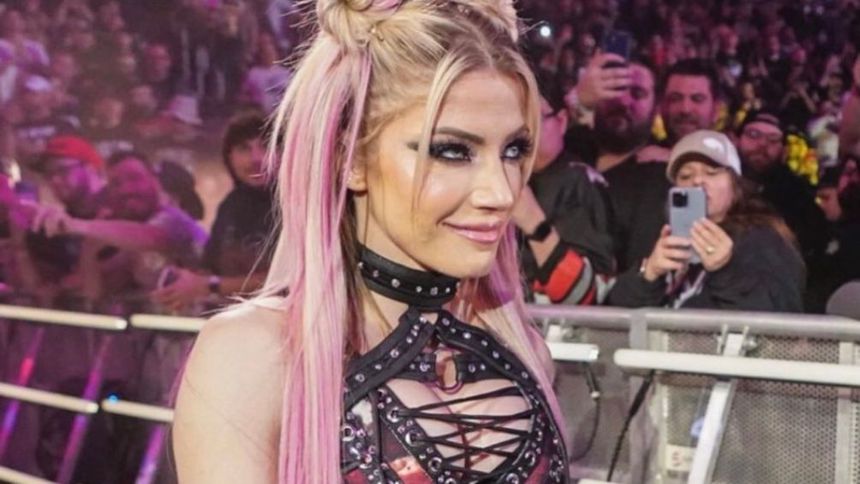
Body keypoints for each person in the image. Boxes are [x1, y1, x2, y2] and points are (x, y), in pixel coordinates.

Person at [173, 1, 570, 483]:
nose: (502, 193)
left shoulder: (524, 352)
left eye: (513, 150)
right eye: (452, 151)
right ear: (352, 159)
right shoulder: (253, 356)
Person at [607, 130, 805, 312]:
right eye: (685, 176)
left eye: (711, 172)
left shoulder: (763, 240)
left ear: (735, 184)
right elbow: (614, 315)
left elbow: (775, 316)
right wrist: (649, 274)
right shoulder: (671, 240)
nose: (698, 181)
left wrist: (724, 270)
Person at [153, 112, 274, 312]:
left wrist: (210, 285)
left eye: (266, 146)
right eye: (244, 149)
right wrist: (183, 284)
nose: (256, 159)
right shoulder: (231, 204)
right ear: (229, 158)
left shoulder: (299, 204)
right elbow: (211, 267)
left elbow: (291, 281)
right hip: (237, 320)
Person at [735, 110, 829, 262]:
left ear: (784, 151)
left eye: (773, 140)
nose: (762, 144)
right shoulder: (714, 180)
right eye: (753, 135)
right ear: (736, 140)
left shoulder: (798, 196)